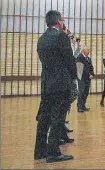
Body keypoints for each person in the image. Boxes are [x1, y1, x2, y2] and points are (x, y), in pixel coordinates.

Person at [34, 10, 76, 163]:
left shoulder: (41, 39)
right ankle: (53, 152)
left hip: (46, 83)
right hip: (61, 84)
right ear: (59, 21)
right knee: (58, 118)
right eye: (62, 19)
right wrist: (73, 79)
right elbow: (70, 61)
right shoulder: (62, 37)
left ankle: (39, 151)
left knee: (44, 119)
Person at [76, 47, 94, 112]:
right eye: (88, 50)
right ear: (83, 51)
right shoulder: (79, 57)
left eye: (89, 50)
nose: (89, 51)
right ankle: (79, 107)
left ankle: (83, 106)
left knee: (86, 92)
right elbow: (81, 69)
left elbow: (91, 67)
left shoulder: (88, 59)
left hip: (88, 78)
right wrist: (89, 74)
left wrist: (92, 74)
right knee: (81, 92)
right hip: (81, 78)